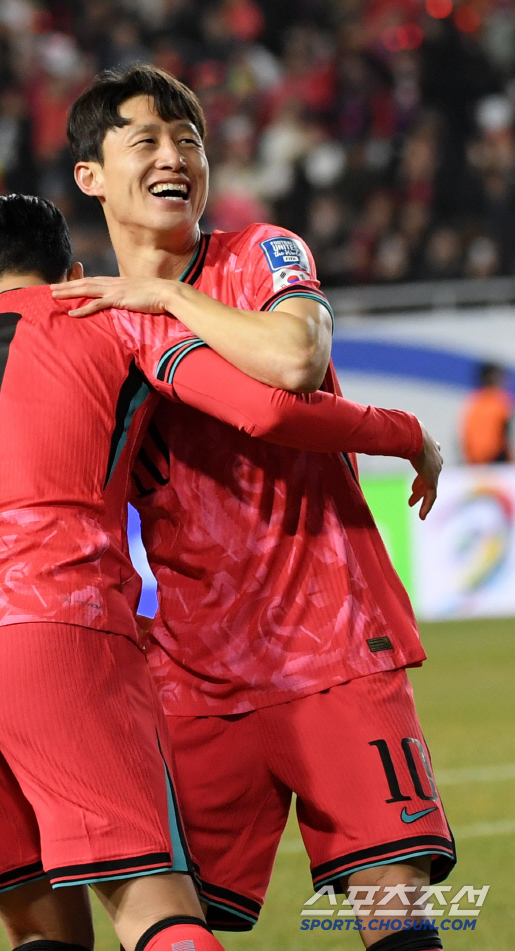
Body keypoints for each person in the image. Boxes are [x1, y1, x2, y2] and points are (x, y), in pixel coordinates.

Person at [0, 194, 440, 951]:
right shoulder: (106, 317)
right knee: (156, 911)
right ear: (73, 271)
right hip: (54, 631)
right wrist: (407, 433)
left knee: (39, 930)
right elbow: (270, 410)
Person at [49, 65, 454, 950]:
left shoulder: (261, 253)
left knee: (391, 898)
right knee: (159, 911)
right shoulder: (86, 332)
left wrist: (167, 294)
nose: (174, 157)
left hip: (335, 645)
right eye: (146, 140)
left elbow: (296, 360)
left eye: (188, 140)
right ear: (90, 174)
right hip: (195, 676)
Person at [461, 361, 512, 464]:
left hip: (474, 462)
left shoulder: (473, 401)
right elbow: (505, 435)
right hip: (496, 461)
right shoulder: (501, 401)